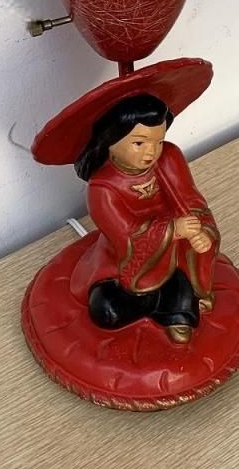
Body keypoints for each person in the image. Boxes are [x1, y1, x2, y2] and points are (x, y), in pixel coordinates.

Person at [69, 94, 220, 344]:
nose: (152, 152)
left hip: (177, 251)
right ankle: (167, 301)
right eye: (139, 143)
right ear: (110, 140)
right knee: (106, 310)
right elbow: (125, 235)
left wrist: (201, 229)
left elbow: (191, 199)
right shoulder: (103, 187)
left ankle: (175, 302)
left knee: (182, 275)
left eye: (158, 141)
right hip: (124, 262)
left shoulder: (169, 157)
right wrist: (173, 229)